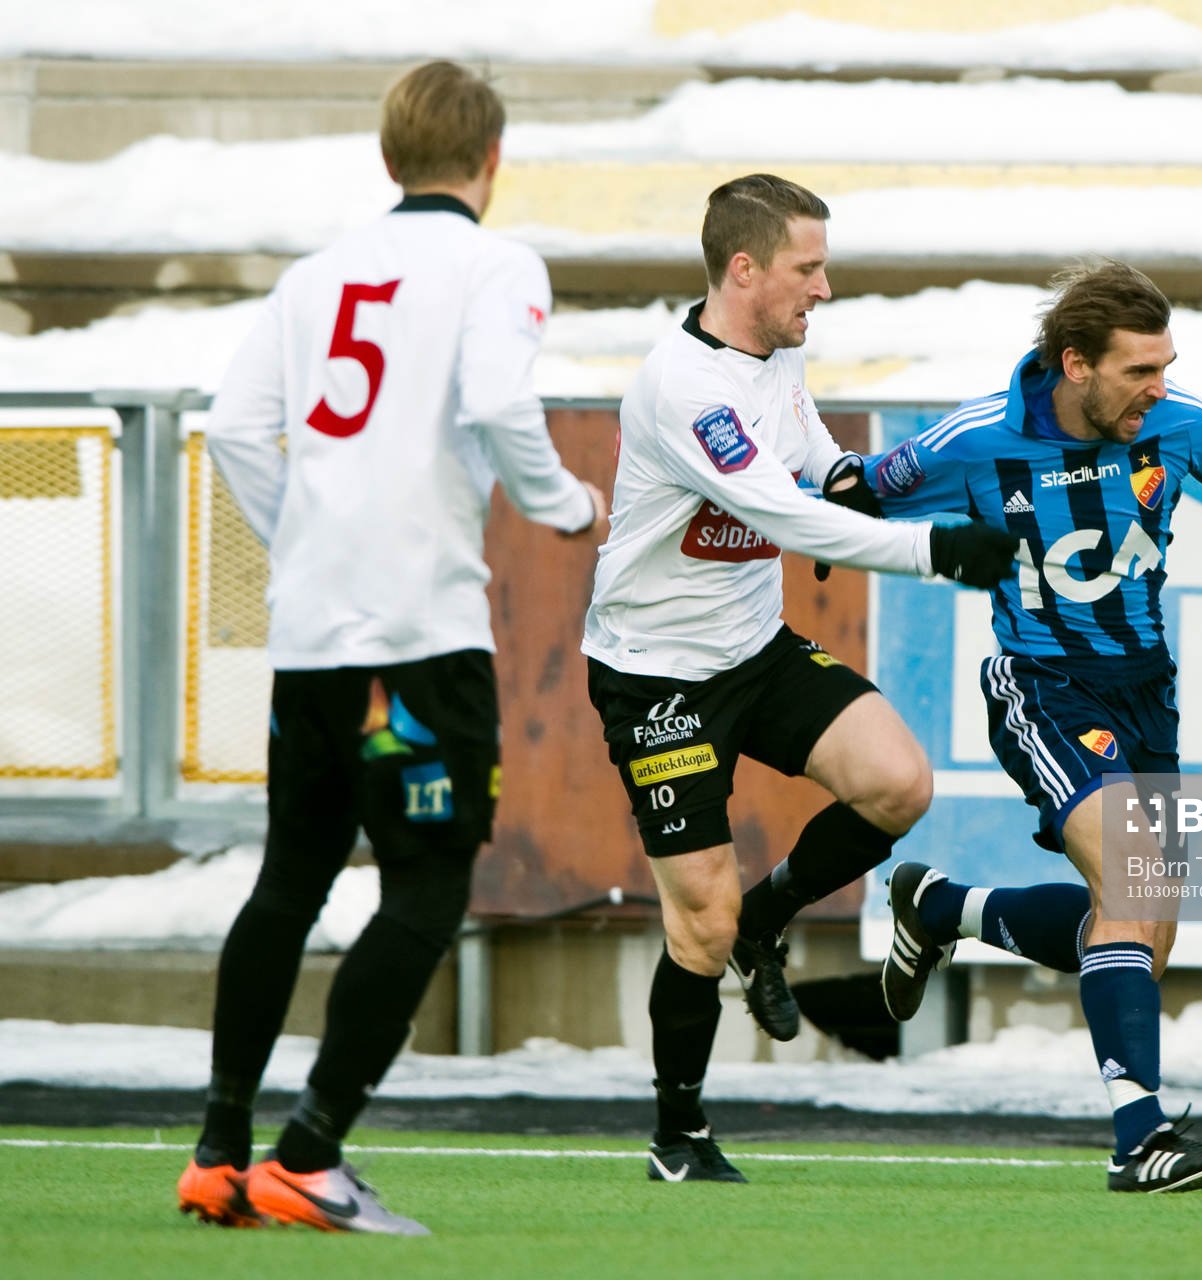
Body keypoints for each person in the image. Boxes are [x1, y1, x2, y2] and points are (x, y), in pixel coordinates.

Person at [867, 260, 1202, 1193]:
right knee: (1128, 880)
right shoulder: (975, 440)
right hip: (1040, 684)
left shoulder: (1179, 425)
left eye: (1166, 366)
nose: (1157, 389)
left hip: (1146, 693)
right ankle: (1141, 1138)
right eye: (1138, 371)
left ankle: (939, 907)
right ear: (1074, 363)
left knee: (1143, 929)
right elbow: (853, 496)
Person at [177, 60, 608, 1234]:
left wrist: (315, 540)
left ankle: (218, 1148)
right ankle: (308, 1149)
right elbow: (496, 402)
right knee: (426, 882)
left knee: (290, 877)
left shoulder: (314, 276)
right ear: (492, 160)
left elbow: (231, 432)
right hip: (415, 634)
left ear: (386, 158)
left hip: (313, 631)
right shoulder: (495, 262)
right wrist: (564, 503)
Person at [581, 173, 1017, 1183]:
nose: (822, 289)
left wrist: (893, 478)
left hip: (754, 648)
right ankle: (676, 1134)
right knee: (701, 917)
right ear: (743, 269)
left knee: (898, 782)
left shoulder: (772, 354)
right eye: (805, 269)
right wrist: (933, 551)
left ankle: (771, 922)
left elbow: (813, 466)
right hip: (659, 679)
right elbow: (781, 514)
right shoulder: (684, 389)